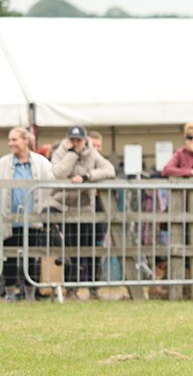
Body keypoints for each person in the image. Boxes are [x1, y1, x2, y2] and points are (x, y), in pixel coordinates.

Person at [50, 125, 116, 289]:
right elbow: (58, 173)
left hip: (87, 208)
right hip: (66, 208)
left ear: (85, 140)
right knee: (71, 250)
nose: (75, 142)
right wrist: (71, 154)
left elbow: (110, 170)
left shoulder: (92, 154)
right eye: (72, 139)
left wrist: (87, 177)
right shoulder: (61, 152)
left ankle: (94, 287)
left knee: (89, 249)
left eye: (78, 140)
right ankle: (71, 288)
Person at [1, 127, 55, 300]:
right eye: (10, 140)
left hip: (32, 220)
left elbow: (53, 183)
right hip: (9, 220)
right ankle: (10, 294)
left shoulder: (41, 163)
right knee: (9, 258)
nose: (11, 143)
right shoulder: (3, 164)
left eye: (14, 139)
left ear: (26, 141)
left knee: (31, 258)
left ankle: (30, 295)